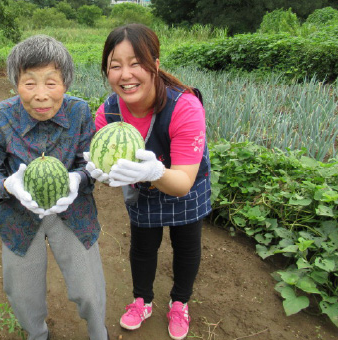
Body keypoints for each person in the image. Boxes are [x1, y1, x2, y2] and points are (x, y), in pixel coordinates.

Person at [84, 24, 211, 340]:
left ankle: (180, 302)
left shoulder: (185, 106)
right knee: (143, 247)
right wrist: (98, 172)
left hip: (186, 184)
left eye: (136, 63)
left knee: (186, 245)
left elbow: (182, 182)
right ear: (107, 72)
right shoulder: (109, 113)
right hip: (143, 193)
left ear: (155, 65)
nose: (125, 74)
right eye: (115, 66)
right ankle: (142, 299)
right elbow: (102, 159)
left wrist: (155, 173)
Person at [0, 35, 109, 340]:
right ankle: (37, 335)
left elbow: (89, 164)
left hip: (73, 212)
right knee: (23, 295)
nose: (41, 95)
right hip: (18, 215)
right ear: (15, 84)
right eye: (29, 83)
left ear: (66, 82)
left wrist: (78, 179)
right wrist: (10, 186)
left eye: (51, 83)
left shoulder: (79, 113)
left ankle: (98, 333)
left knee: (89, 289)